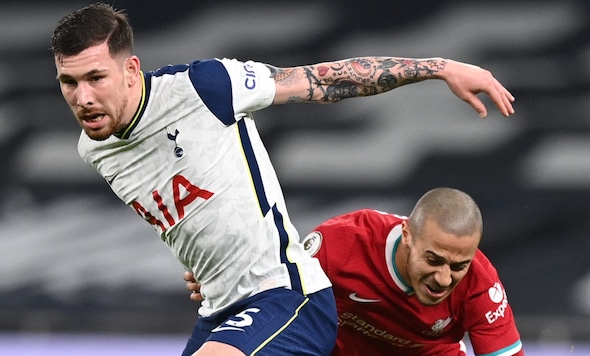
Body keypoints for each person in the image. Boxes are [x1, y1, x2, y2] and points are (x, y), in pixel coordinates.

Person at [51, 2, 515, 355]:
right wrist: (205, 263)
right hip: (219, 310)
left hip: (286, 295)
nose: (83, 97)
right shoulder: (95, 150)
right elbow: (193, 211)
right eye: (69, 82)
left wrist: (438, 68)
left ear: (131, 70)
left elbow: (327, 80)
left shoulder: (204, 88)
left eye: (96, 77)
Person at [186, 188, 524, 355]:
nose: (444, 279)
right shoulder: (343, 243)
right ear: (407, 235)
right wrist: (227, 281)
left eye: (458, 266)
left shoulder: (481, 283)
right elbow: (277, 289)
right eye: (433, 260)